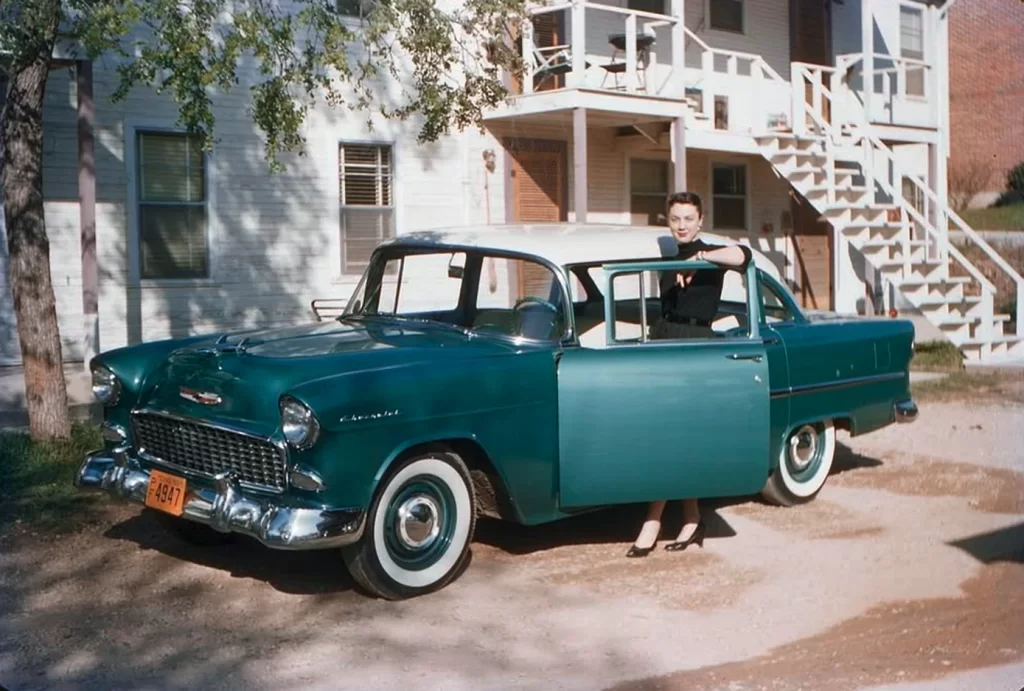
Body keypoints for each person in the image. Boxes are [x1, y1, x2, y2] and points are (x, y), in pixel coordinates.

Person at [626, 190, 753, 558]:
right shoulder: (665, 254)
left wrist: (702, 256)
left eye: (689, 218)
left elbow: (743, 255)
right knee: (666, 436)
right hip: (664, 340)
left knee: (676, 436)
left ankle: (653, 520)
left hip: (696, 344)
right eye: (675, 218)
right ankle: (692, 517)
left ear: (700, 221)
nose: (682, 225)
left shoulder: (711, 252)